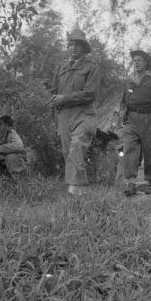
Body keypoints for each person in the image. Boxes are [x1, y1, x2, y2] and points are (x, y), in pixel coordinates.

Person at [50, 28, 100, 196]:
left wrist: (64, 98)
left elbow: (90, 93)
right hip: (64, 115)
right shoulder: (61, 68)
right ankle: (81, 190)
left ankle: (74, 190)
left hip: (84, 114)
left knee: (76, 148)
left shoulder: (91, 67)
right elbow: (54, 91)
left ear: (84, 48)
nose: (73, 48)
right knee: (67, 152)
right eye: (71, 44)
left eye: (78, 45)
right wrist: (55, 105)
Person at [120, 49, 151, 195]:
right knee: (129, 149)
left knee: (150, 151)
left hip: (149, 119)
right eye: (135, 60)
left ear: (146, 63)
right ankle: (130, 183)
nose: (136, 62)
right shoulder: (128, 82)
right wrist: (120, 115)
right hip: (131, 119)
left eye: (140, 60)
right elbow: (122, 102)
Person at [0, 110, 29, 176]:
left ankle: (18, 179)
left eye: (0, 124)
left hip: (16, 165)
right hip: (2, 166)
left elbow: (19, 145)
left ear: (6, 125)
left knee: (11, 157)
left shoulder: (11, 134)